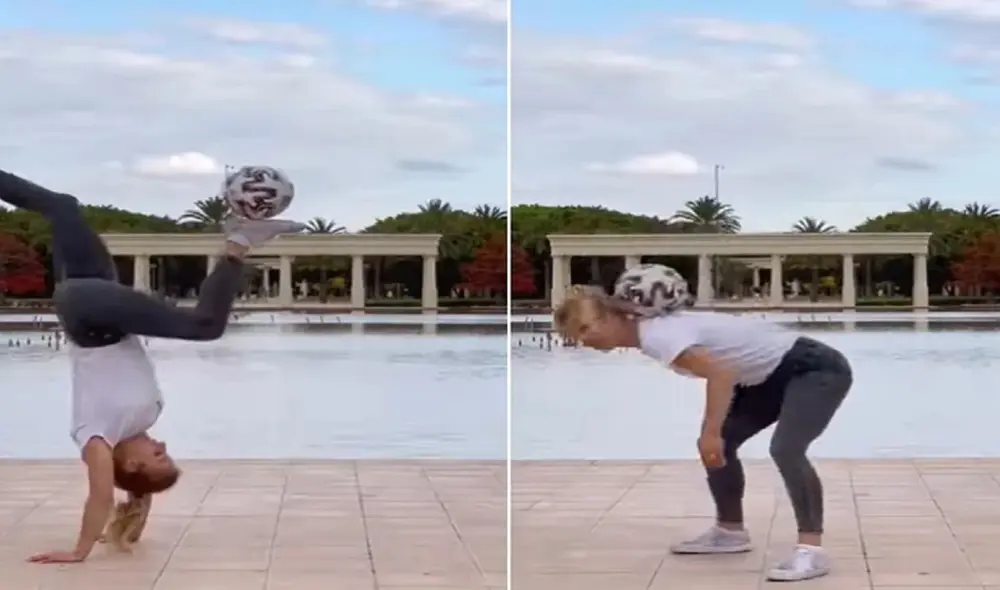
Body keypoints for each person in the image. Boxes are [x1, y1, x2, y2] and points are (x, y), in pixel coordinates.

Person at [0, 169, 305, 564]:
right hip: (91, 294)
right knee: (63, 207)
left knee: (205, 327)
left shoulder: (96, 438)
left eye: (159, 456)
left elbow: (101, 495)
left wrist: (79, 551)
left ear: (129, 463)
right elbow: (134, 486)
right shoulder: (137, 427)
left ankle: (239, 240)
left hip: (89, 315)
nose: (163, 445)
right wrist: (137, 511)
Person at [552, 264, 853, 582]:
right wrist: (714, 433)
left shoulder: (658, 334)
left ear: (616, 316)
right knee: (720, 440)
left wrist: (710, 432)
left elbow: (720, 373)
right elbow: (728, 368)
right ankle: (730, 532)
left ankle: (811, 551)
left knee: (786, 449)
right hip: (768, 376)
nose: (583, 341)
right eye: (575, 336)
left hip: (814, 368)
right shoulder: (653, 330)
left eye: (585, 329)